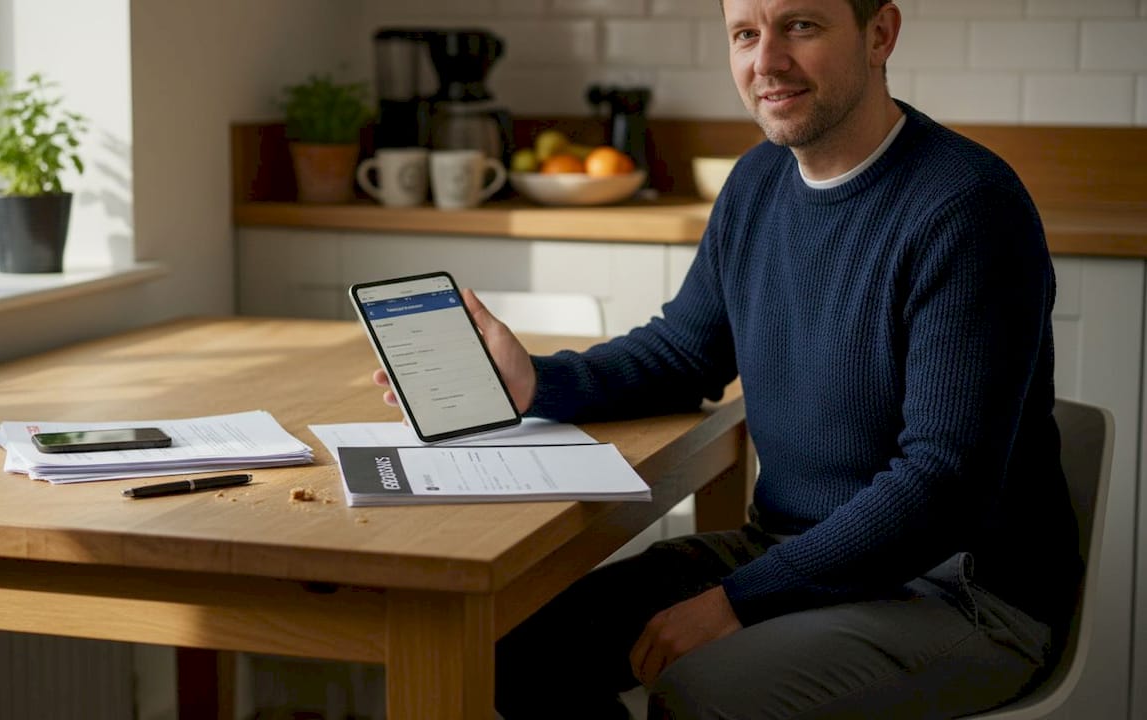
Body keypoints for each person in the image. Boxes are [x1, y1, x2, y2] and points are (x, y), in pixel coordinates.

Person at [373, 0, 1081, 717]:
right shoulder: (757, 183)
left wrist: (740, 601)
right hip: (790, 548)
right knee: (517, 649)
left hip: (958, 591)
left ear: (879, 34)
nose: (766, 61)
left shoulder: (966, 207)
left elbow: (942, 484)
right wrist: (534, 381)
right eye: (746, 33)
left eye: (800, 26)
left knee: (700, 696)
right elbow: (684, 352)